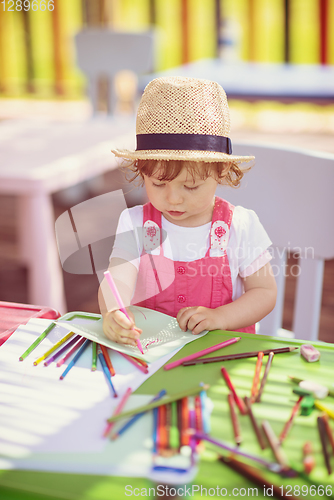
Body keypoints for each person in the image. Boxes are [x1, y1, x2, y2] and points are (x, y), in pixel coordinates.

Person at [98, 76, 277, 346]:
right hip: (151, 355)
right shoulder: (135, 222)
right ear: (142, 171)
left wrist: (221, 317)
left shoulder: (239, 225)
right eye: (158, 183)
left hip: (221, 356)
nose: (173, 199)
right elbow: (118, 279)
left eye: (191, 186)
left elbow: (264, 292)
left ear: (222, 171)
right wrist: (113, 311)